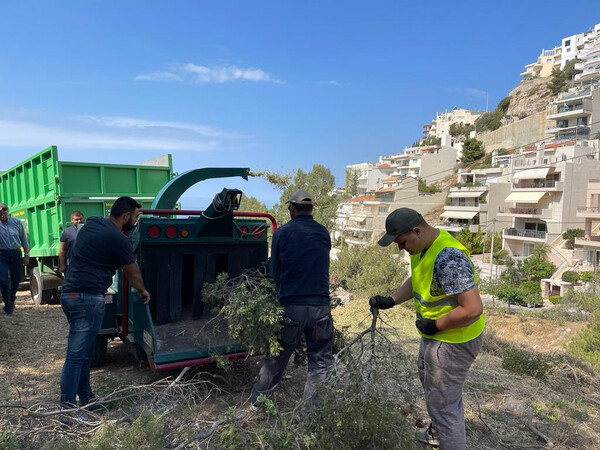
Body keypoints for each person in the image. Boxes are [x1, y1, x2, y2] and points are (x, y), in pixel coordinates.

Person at [370, 208, 485, 450]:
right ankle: (437, 433)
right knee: (439, 396)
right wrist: (391, 299)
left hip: (453, 341)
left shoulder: (448, 258)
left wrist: (436, 325)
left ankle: (448, 439)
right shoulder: (422, 248)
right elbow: (418, 279)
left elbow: (473, 309)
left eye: (401, 242)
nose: (400, 248)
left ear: (417, 231)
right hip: (437, 337)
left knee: (444, 406)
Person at [59, 196, 151, 410]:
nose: (136, 221)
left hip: (70, 296)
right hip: (87, 299)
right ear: (126, 216)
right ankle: (67, 411)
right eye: (136, 217)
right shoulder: (118, 239)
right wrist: (143, 291)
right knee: (75, 356)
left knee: (83, 353)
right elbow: (132, 273)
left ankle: (87, 398)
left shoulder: (91, 224)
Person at [251, 189, 333, 410]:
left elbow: (275, 272)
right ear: (311, 209)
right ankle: (312, 415)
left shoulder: (283, 233)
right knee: (320, 363)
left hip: (291, 306)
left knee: (276, 358)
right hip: (320, 308)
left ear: (292, 209)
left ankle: (257, 404)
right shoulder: (323, 233)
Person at [0, 203, 29, 317]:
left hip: (16, 253)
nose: (2, 213)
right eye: (0, 212)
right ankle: (8, 307)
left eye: (4, 211)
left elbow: (23, 239)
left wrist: (27, 255)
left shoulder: (16, 223)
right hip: (1, 255)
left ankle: (11, 298)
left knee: (16, 281)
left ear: (7, 211)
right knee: (3, 280)